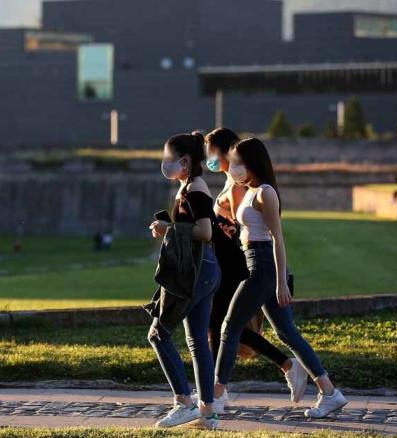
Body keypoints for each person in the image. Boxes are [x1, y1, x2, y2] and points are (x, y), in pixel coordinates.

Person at [213, 138, 347, 419]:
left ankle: (213, 397)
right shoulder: (248, 191)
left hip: (263, 267)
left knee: (229, 327)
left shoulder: (265, 193)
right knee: (287, 333)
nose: (233, 168)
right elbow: (251, 229)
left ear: (253, 163)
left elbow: (277, 238)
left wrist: (281, 281)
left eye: (238, 163)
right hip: (254, 261)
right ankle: (330, 392)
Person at [203, 128, 308, 408]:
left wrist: (218, 227)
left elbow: (243, 227)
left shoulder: (240, 186)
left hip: (239, 262)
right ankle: (283, 366)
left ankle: (218, 391)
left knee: (223, 324)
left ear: (225, 153)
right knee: (223, 324)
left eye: (211, 153)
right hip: (229, 260)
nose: (208, 160)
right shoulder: (230, 183)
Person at [147, 132, 221, 429]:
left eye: (169, 158)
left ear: (185, 161)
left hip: (195, 273)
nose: (165, 163)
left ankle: (184, 402)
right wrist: (171, 227)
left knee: (158, 334)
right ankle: (208, 412)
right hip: (203, 271)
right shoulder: (188, 188)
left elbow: (205, 231)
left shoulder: (195, 191)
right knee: (197, 343)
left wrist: (170, 230)